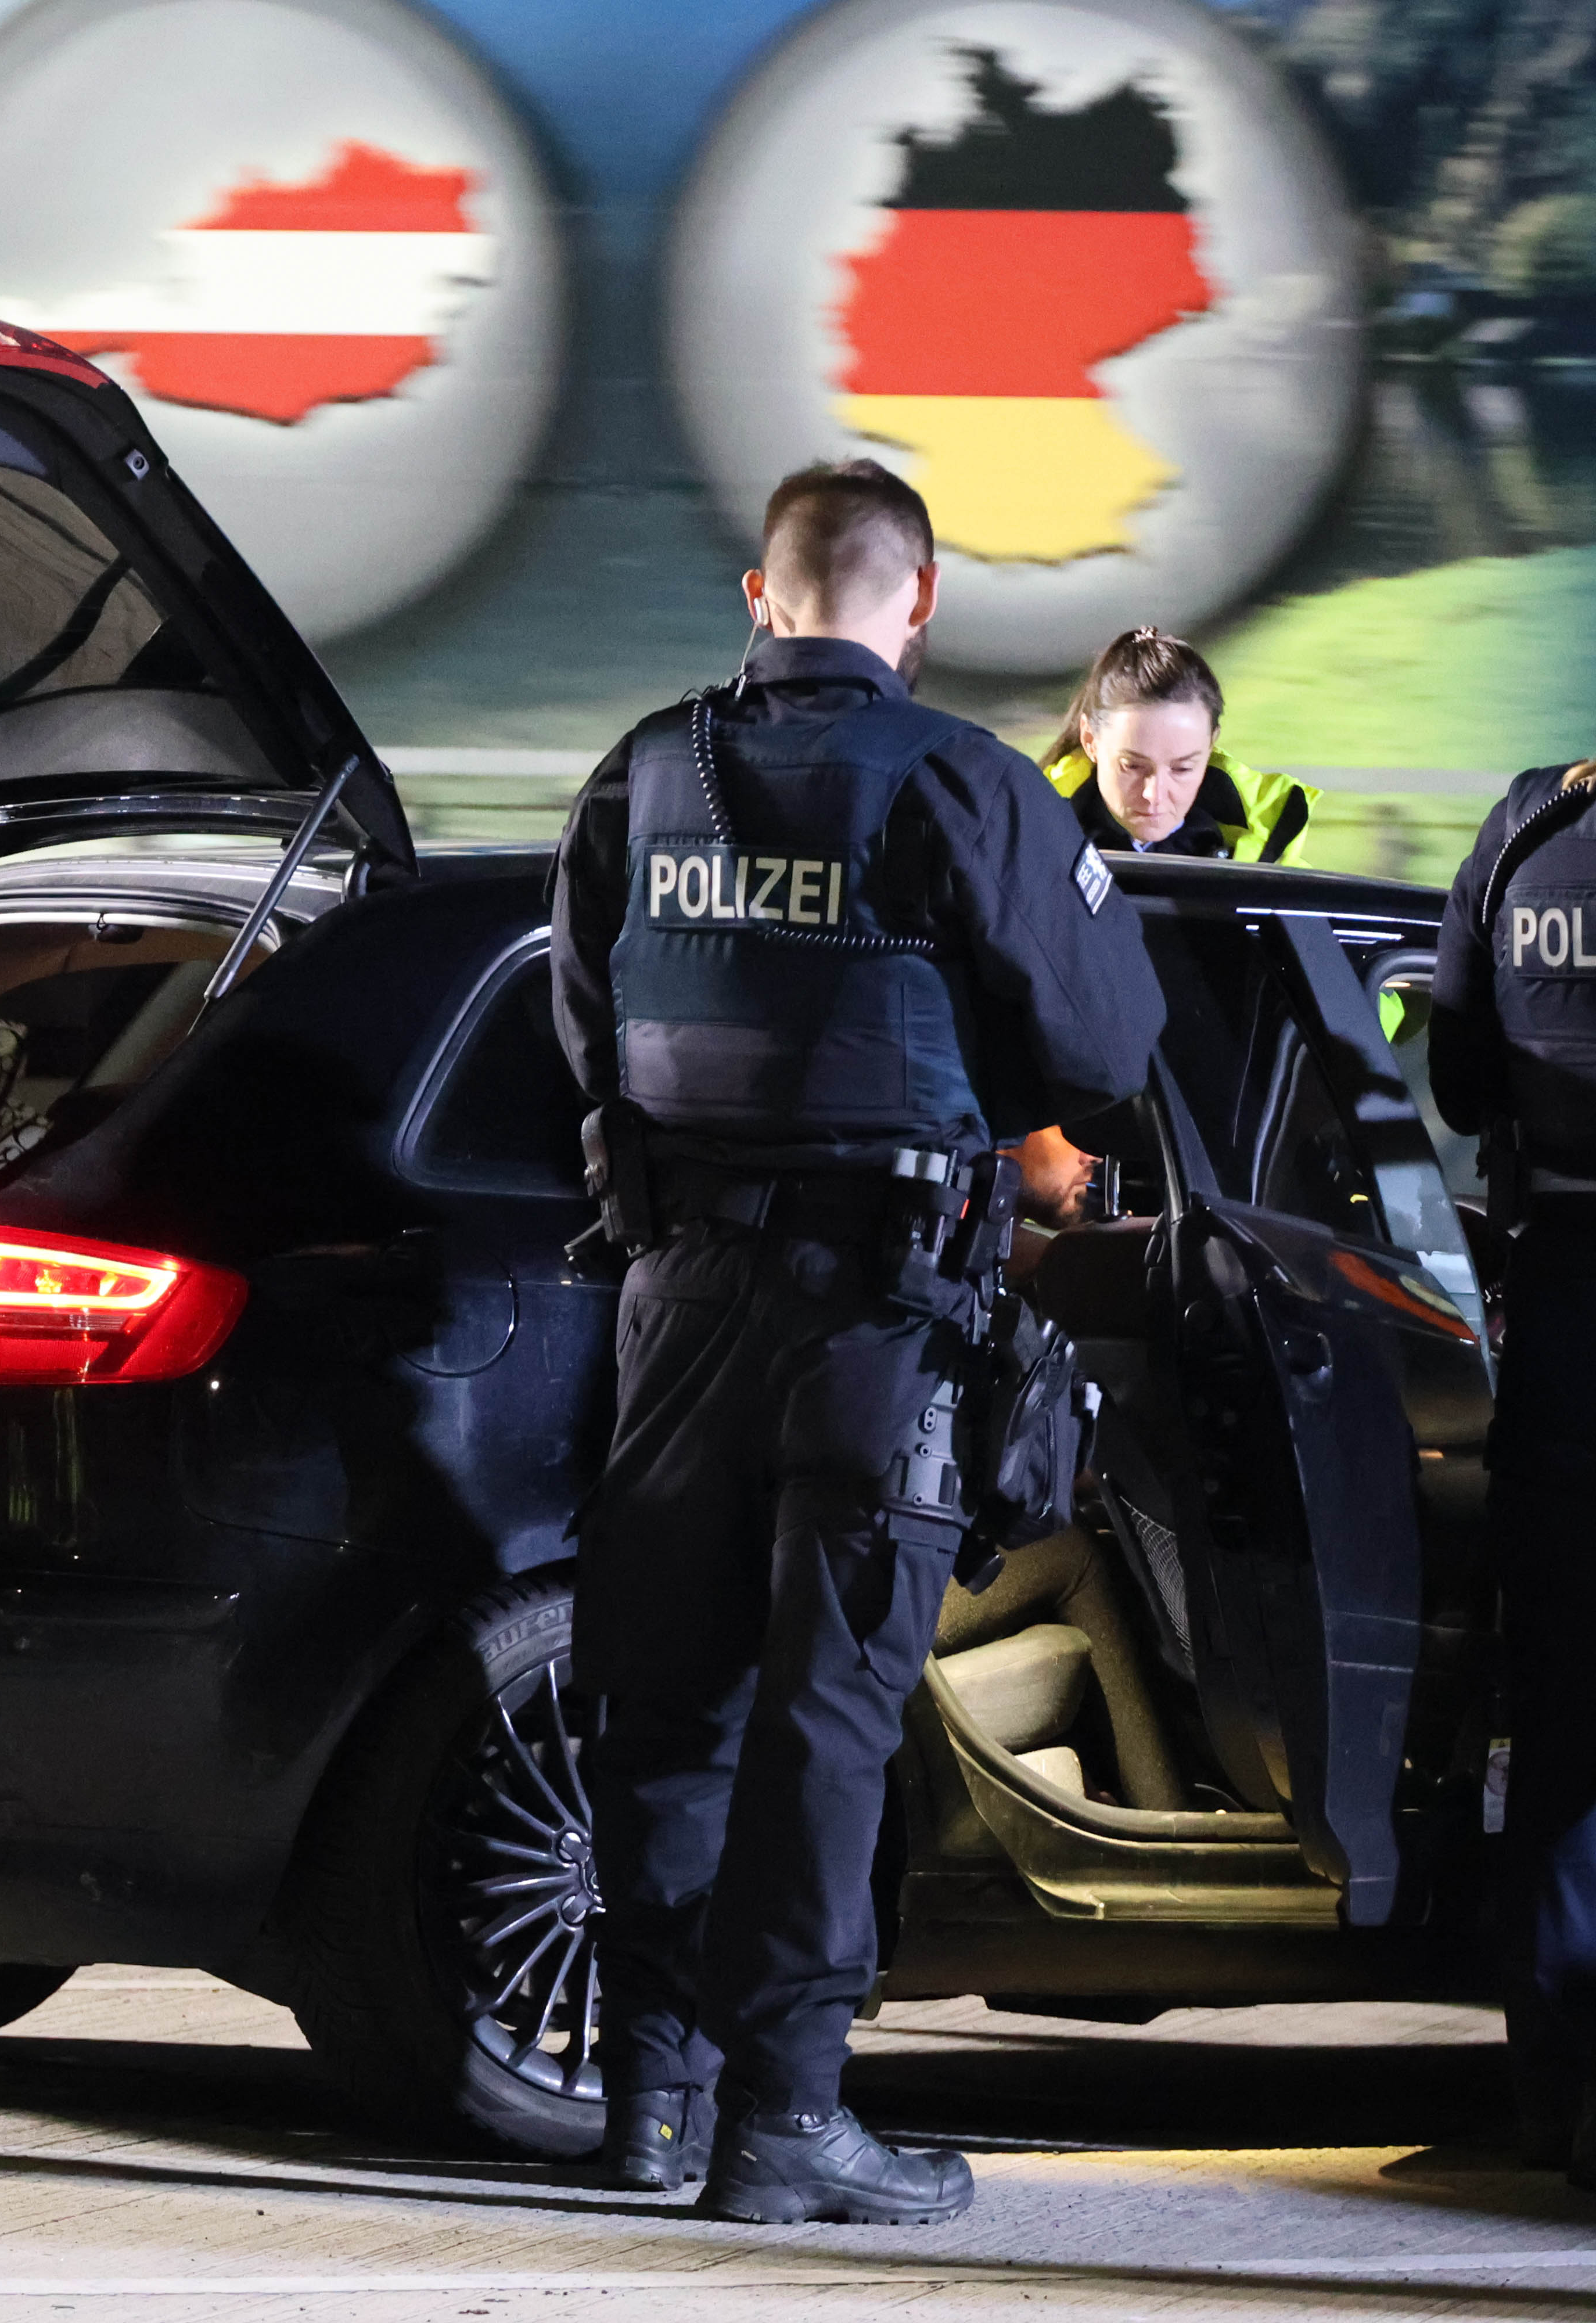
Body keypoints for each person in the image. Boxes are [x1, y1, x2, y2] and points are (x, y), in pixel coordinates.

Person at [549, 458, 1164, 2224]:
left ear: (761, 595)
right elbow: (1106, 1049)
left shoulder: (642, 773)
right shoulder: (962, 784)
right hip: (876, 1317)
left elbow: (582, 1027)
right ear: (920, 601)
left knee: (664, 1700)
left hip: (675, 1302)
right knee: (823, 1715)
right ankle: (786, 2118)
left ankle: (650, 2099)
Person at [1428, 751, 1596, 2182]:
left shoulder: (1531, 827)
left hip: (1560, 1314)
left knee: (1559, 1719)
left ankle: (1556, 2090)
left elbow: (1459, 1073)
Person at [1041, 627, 1318, 862]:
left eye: (1182, 769)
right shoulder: (1028, 851)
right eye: (1133, 766)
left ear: (1210, 747)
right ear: (1090, 741)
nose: (1154, 795)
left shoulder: (1272, 867)